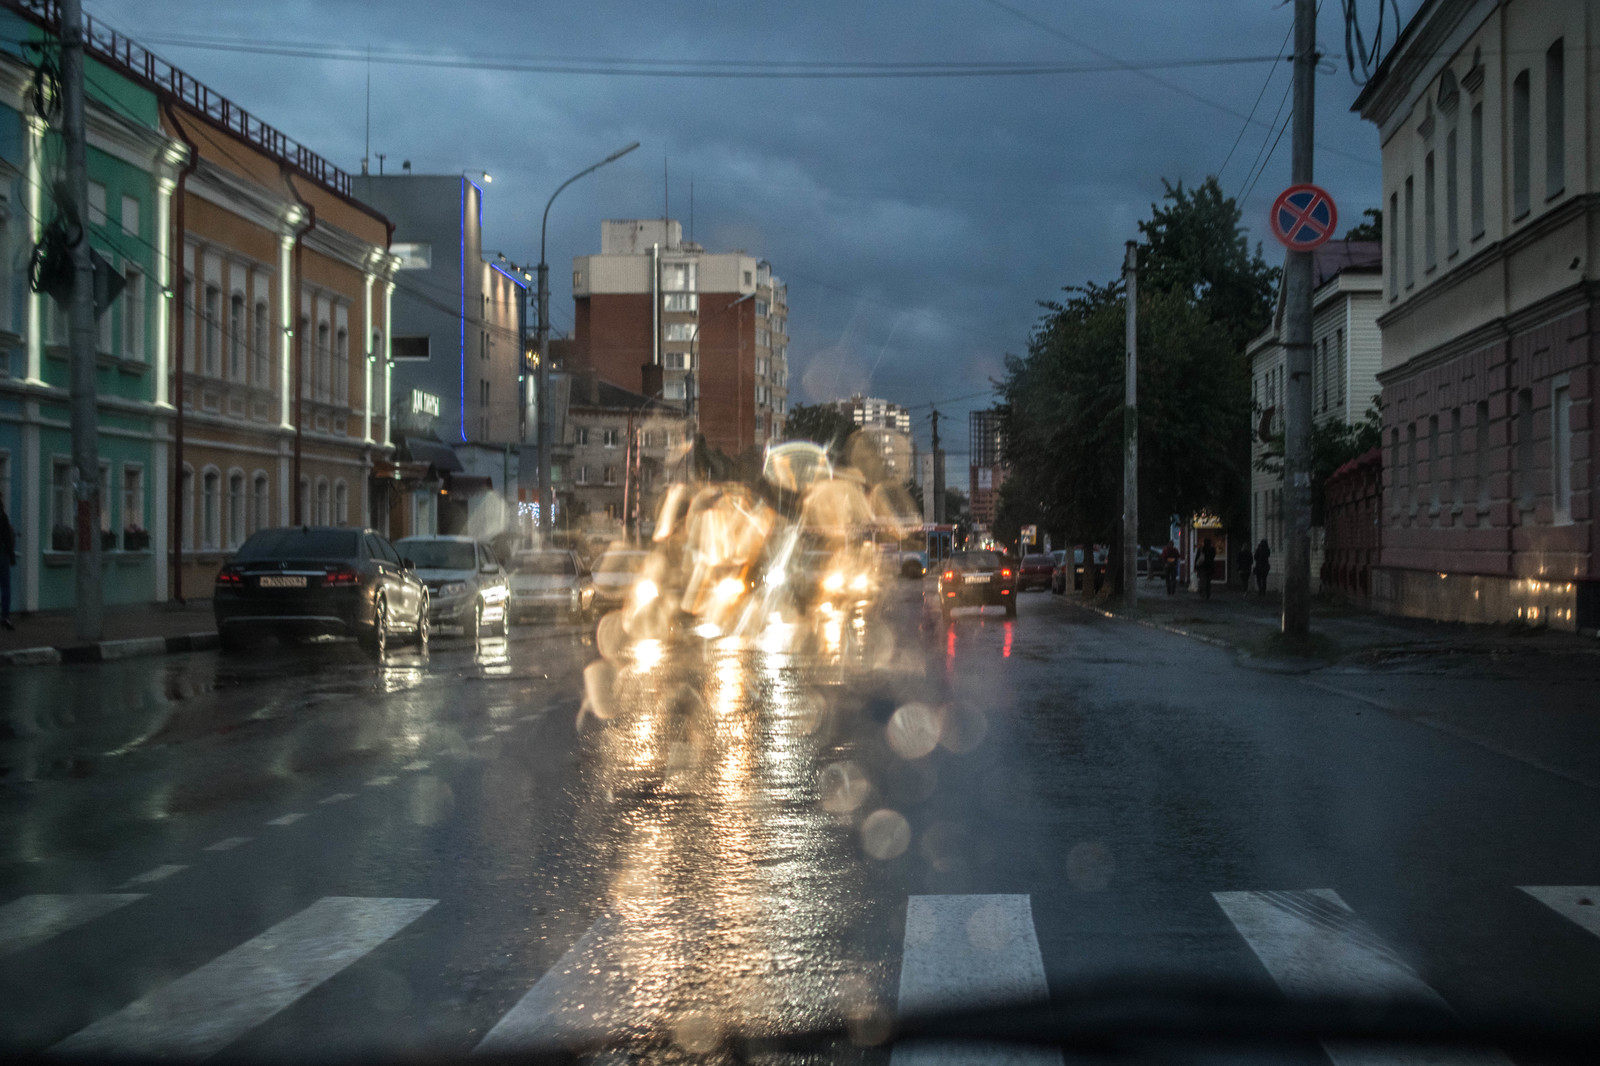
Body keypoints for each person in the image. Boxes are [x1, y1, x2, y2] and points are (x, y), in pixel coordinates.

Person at [0, 497, 15, 630]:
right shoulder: (3, 516)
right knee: (5, 586)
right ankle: (5, 616)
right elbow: (7, 537)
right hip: (2, 555)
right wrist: (11, 556)